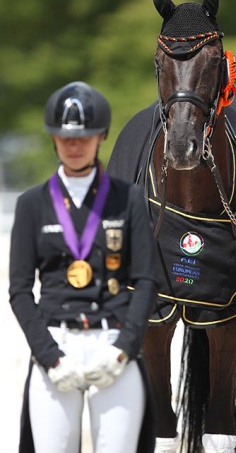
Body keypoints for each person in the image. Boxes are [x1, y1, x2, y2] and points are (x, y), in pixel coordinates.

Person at [9, 81, 157, 453]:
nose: (74, 147)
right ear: (54, 140)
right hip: (56, 344)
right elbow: (21, 290)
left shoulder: (129, 199)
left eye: (84, 138)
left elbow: (146, 279)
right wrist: (49, 357)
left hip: (113, 343)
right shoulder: (32, 204)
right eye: (65, 138)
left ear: (100, 137)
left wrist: (124, 348)